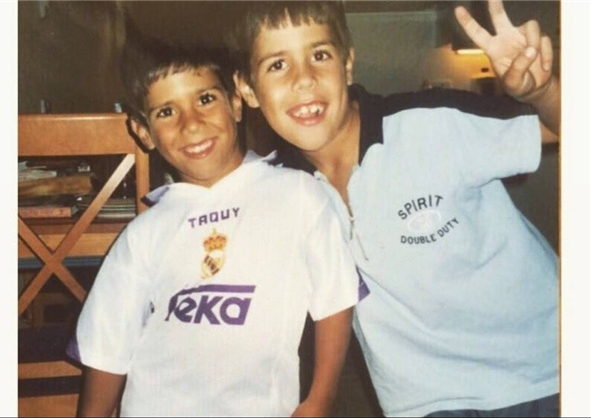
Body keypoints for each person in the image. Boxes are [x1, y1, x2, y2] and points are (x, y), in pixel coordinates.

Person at [227, 0, 560, 416]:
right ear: (246, 89)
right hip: (423, 402)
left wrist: (544, 92)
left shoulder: (431, 123)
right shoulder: (278, 189)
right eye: (277, 65)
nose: (304, 78)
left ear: (348, 65)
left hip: (548, 369)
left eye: (320, 55)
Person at [66, 34, 365, 417]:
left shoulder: (298, 194)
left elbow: (335, 297)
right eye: (166, 112)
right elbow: (108, 346)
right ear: (144, 132)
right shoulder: (144, 232)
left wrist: (320, 399)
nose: (191, 124)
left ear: (236, 104)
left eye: (205, 99)